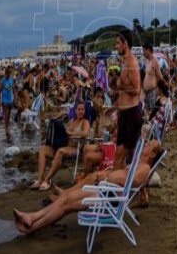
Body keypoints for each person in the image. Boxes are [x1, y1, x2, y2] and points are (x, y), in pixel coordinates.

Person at [13, 140, 161, 235]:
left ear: (153, 153)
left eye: (149, 145)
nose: (145, 144)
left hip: (110, 197)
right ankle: (32, 217)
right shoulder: (138, 164)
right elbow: (123, 176)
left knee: (66, 203)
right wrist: (109, 175)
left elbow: (131, 180)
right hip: (107, 190)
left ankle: (32, 227)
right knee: (65, 198)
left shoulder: (145, 168)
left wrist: (109, 177)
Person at [32, 101, 91, 190]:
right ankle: (40, 179)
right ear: (75, 111)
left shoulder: (85, 122)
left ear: (85, 111)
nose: (80, 111)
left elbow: (85, 133)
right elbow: (63, 130)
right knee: (42, 149)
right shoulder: (71, 121)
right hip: (64, 145)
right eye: (78, 109)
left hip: (76, 148)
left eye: (82, 109)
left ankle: (47, 180)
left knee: (60, 152)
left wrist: (71, 133)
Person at [113, 29, 142, 170]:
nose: (116, 46)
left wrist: (121, 85)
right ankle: (141, 191)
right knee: (132, 155)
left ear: (125, 44)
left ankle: (114, 190)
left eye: (118, 43)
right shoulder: (126, 61)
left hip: (131, 114)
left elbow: (137, 90)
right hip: (125, 114)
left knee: (119, 157)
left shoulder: (131, 62)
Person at [142, 43, 162, 116]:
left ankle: (155, 126)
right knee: (147, 110)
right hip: (146, 91)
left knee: (153, 111)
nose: (143, 53)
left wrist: (161, 89)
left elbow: (159, 76)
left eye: (144, 51)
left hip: (152, 90)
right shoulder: (147, 61)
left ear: (149, 50)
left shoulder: (155, 61)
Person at [0, 67, 15, 137]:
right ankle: (6, 129)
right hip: (4, 101)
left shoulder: (11, 79)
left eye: (9, 75)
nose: (8, 76)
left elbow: (13, 88)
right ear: (5, 74)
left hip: (10, 100)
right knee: (6, 115)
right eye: (7, 75)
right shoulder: (2, 80)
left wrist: (15, 98)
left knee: (8, 116)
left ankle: (7, 127)